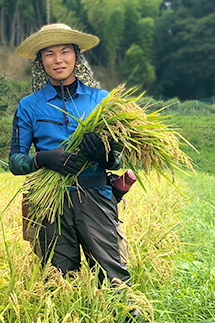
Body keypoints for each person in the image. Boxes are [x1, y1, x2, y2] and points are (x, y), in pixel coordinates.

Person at [9, 23, 133, 293]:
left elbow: (119, 160)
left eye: (65, 51)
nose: (58, 60)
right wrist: (43, 159)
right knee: (58, 282)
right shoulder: (29, 105)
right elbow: (15, 161)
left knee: (114, 277)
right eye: (49, 54)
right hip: (50, 203)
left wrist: (105, 154)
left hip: (96, 196)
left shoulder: (101, 100)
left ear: (77, 55)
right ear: (40, 61)